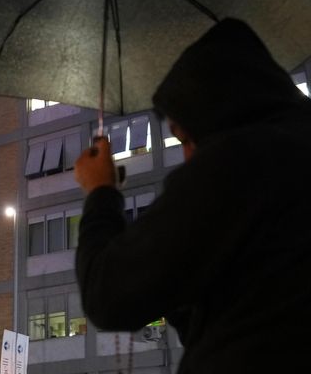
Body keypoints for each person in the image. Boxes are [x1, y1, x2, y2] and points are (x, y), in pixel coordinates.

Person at [73, 18, 311, 372]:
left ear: (216, 112)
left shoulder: (236, 162)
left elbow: (108, 295)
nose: (187, 157)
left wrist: (101, 192)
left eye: (185, 139)